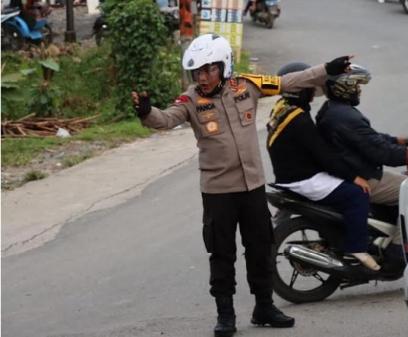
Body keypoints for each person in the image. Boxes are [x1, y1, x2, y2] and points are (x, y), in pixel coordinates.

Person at [131, 34, 353, 337]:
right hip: (218, 192)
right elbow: (165, 119)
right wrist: (146, 112)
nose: (203, 77)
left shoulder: (246, 85)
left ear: (224, 66)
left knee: (260, 249)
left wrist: (327, 68)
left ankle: (264, 307)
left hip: (253, 188)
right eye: (197, 72)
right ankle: (226, 315)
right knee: (221, 254)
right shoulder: (191, 100)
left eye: (209, 70)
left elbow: (289, 81)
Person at [266, 62, 381, 271]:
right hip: (304, 179)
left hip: (289, 175)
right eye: (309, 87)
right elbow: (324, 156)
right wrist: (354, 177)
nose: (313, 93)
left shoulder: (282, 109)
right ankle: (357, 247)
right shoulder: (299, 119)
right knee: (357, 194)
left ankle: (333, 236)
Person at [316, 64, 408, 208]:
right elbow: (383, 153)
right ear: (344, 87)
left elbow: (367, 138)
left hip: (350, 171)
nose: (359, 90)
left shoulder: (331, 109)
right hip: (362, 176)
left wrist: (399, 140)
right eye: (356, 85)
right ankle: (402, 231)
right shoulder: (347, 117)